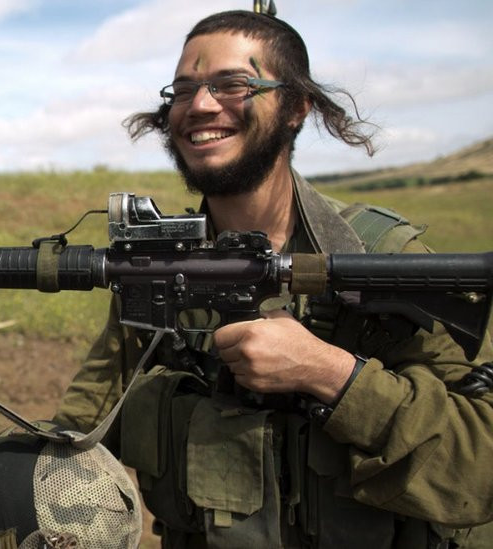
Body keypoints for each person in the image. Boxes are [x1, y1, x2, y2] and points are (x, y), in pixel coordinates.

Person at [53, 10, 493, 548]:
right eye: (184, 90)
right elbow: (79, 427)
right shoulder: (160, 273)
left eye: (232, 84)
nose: (200, 105)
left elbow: (481, 464)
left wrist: (332, 375)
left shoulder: (380, 258)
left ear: (296, 106)